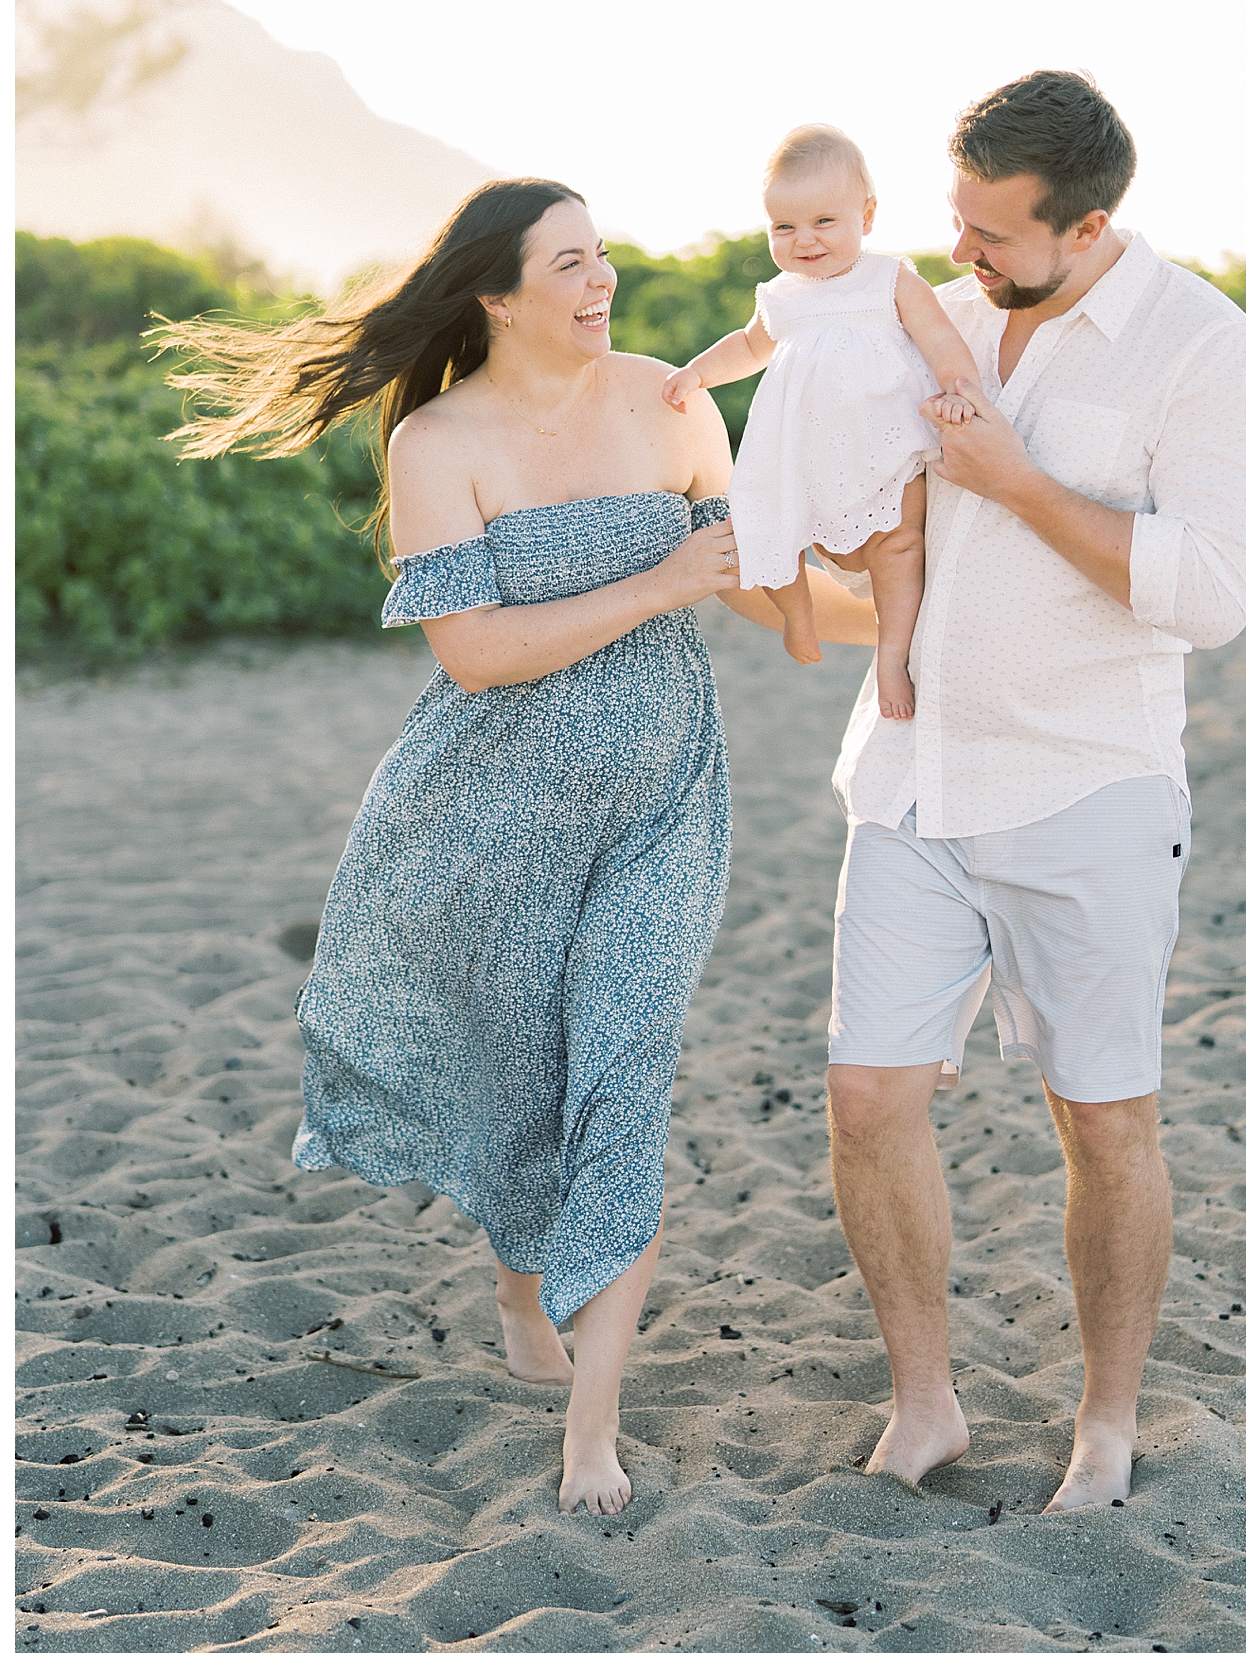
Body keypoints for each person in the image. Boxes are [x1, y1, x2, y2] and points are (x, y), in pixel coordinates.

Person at [160, 178, 874, 1516]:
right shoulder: (439, 440)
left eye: (604, 257)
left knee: (621, 1075)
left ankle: (590, 1431)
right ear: (495, 294)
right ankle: (516, 1282)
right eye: (569, 264)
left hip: (664, 805)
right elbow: (479, 655)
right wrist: (660, 581)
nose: (601, 282)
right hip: (491, 815)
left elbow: (765, 574)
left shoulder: (670, 400)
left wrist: (904, 621)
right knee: (520, 1080)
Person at [820, 72, 1246, 1509]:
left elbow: (1208, 592)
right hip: (909, 777)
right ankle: (924, 1402)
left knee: (1103, 1118)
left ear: (1086, 224)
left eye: (993, 233)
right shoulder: (937, 322)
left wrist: (1016, 481)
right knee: (864, 1093)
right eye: (954, 218)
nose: (963, 254)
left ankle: (1106, 1422)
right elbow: (887, 547)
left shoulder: (1200, 346)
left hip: (1087, 784)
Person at [662, 124, 979, 720]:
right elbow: (748, 346)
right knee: (775, 529)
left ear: (867, 214)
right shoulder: (782, 295)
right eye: (784, 227)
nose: (803, 240)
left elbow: (941, 337)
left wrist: (961, 391)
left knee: (900, 544)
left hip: (885, 444)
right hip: (802, 452)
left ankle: (891, 655)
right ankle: (797, 615)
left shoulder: (889, 280)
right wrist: (697, 374)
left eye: (823, 222)